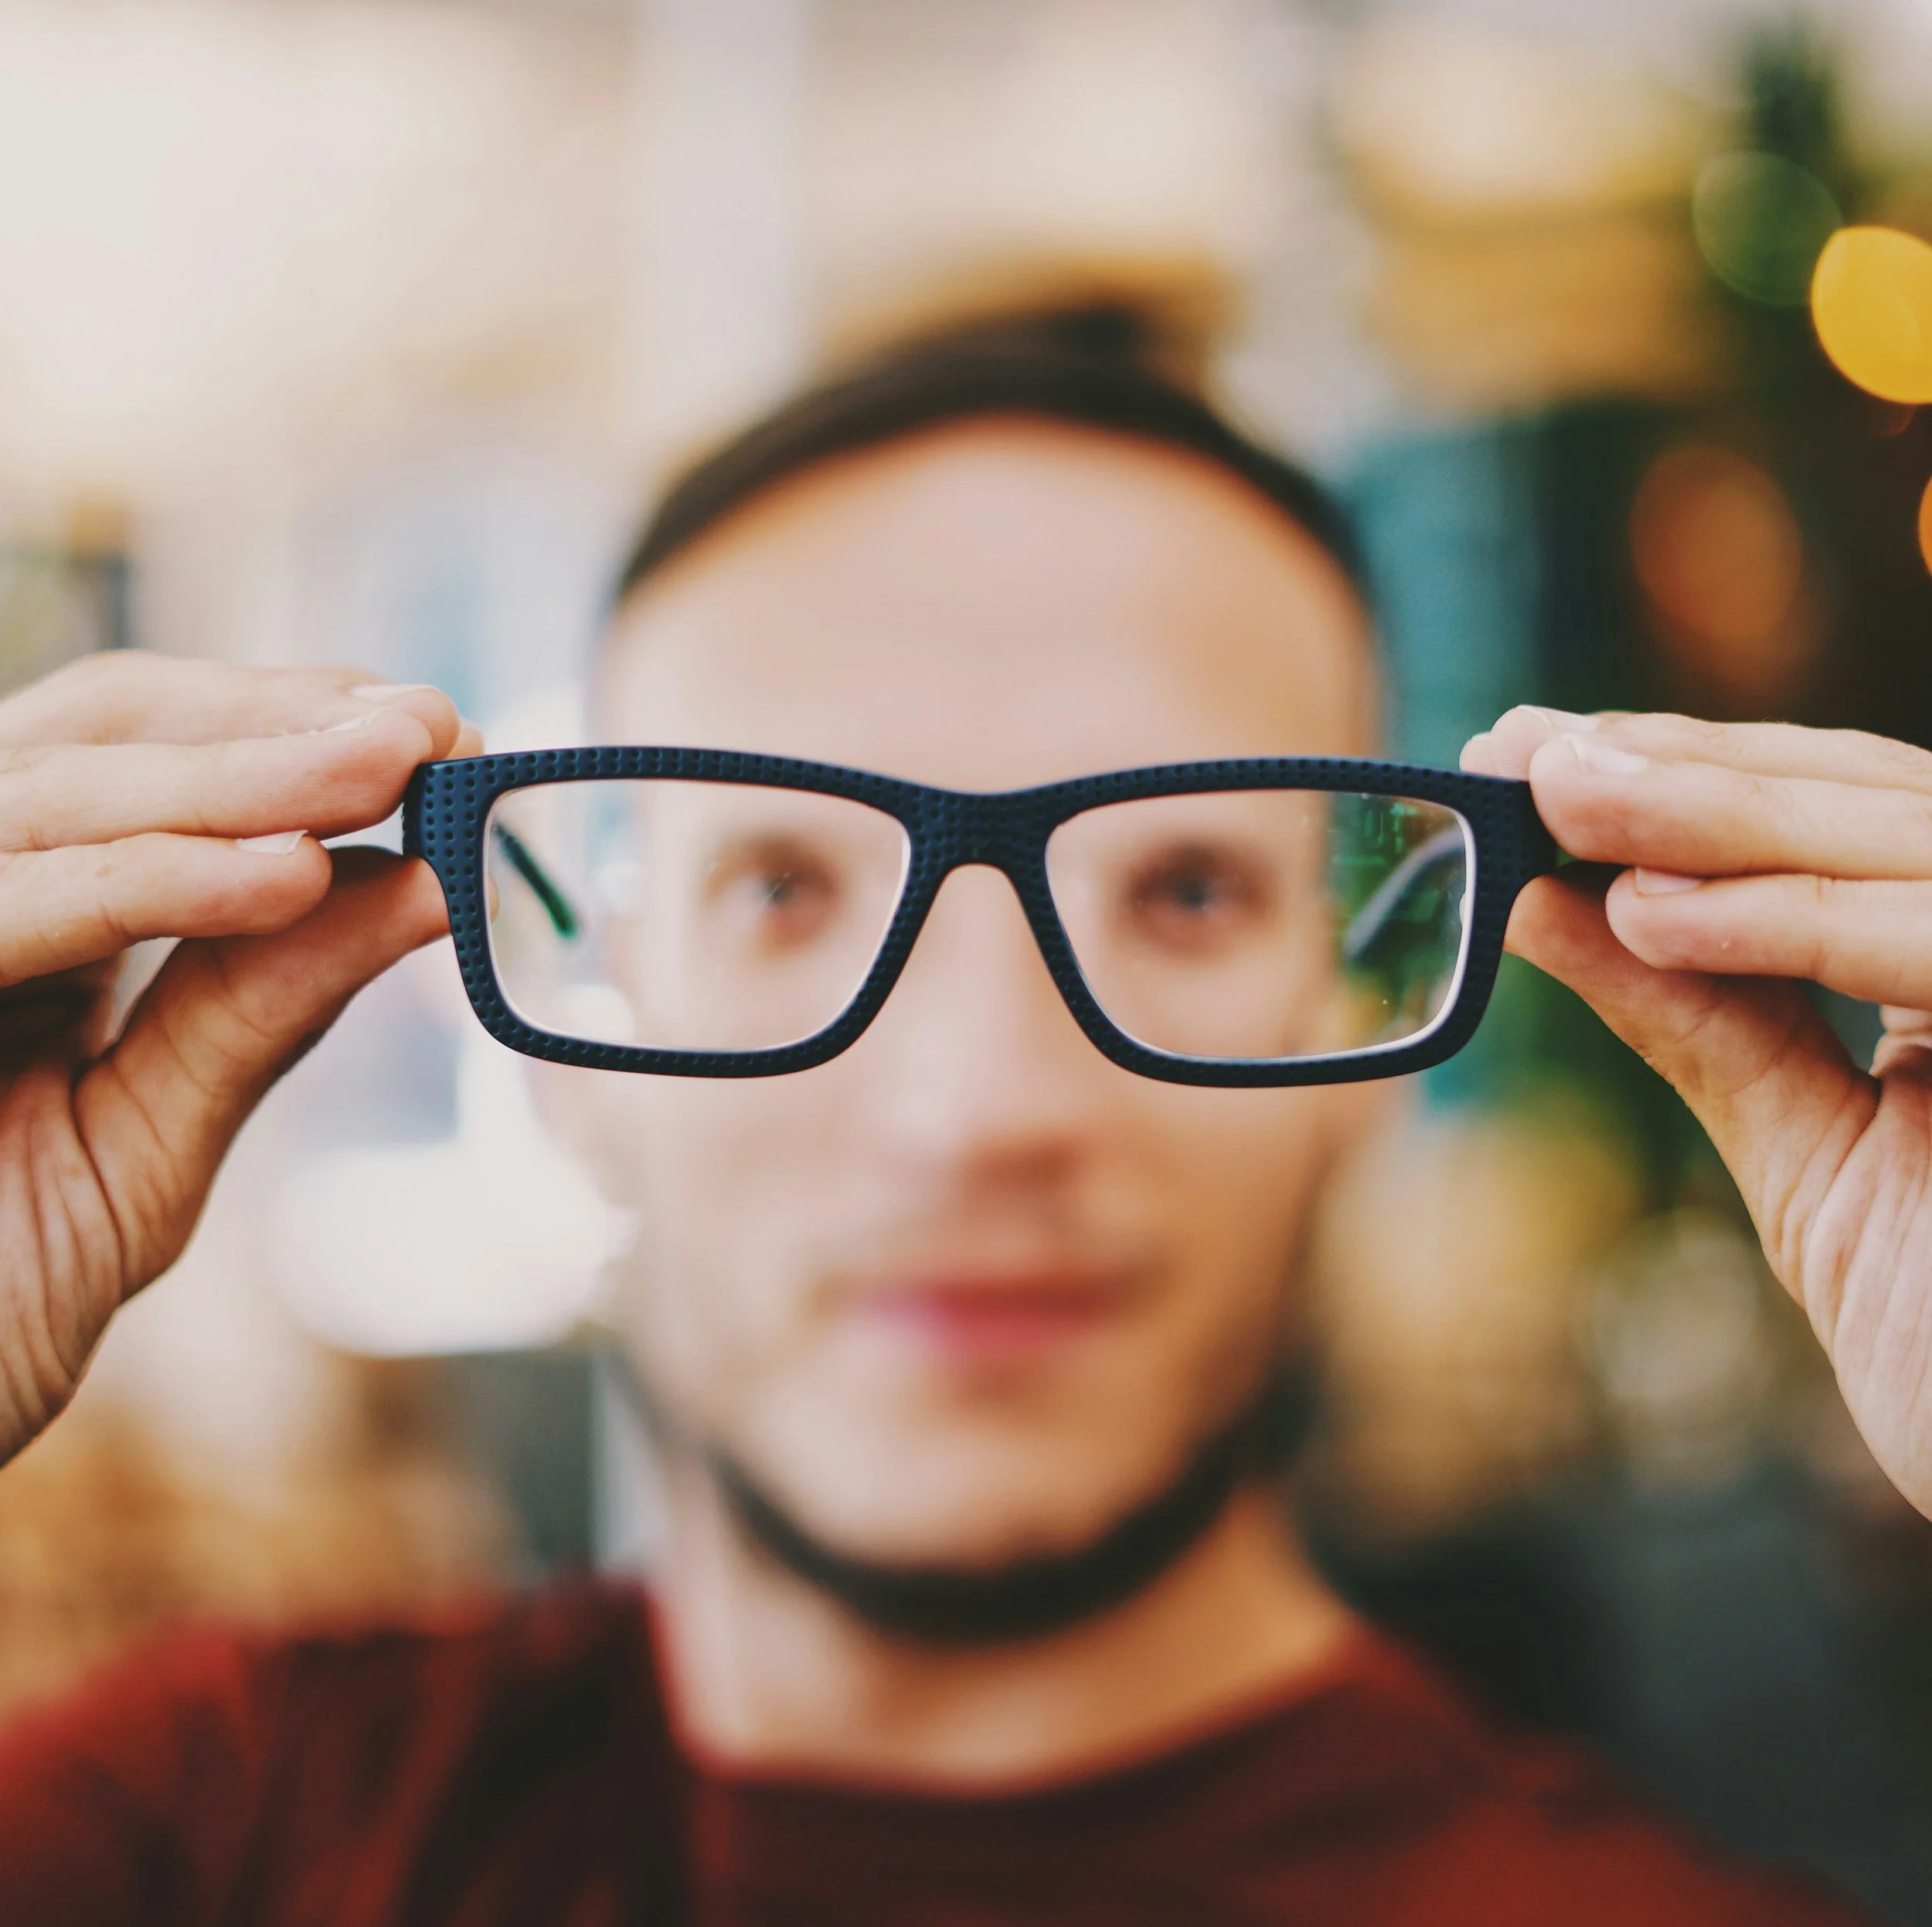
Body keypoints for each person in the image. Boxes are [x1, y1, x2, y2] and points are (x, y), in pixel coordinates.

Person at [0, 307, 1927, 1924]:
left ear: (1373, 1053)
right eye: (779, 889)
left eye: (1183, 894)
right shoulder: (190, 1834)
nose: (975, 1110)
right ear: (569, 1063)